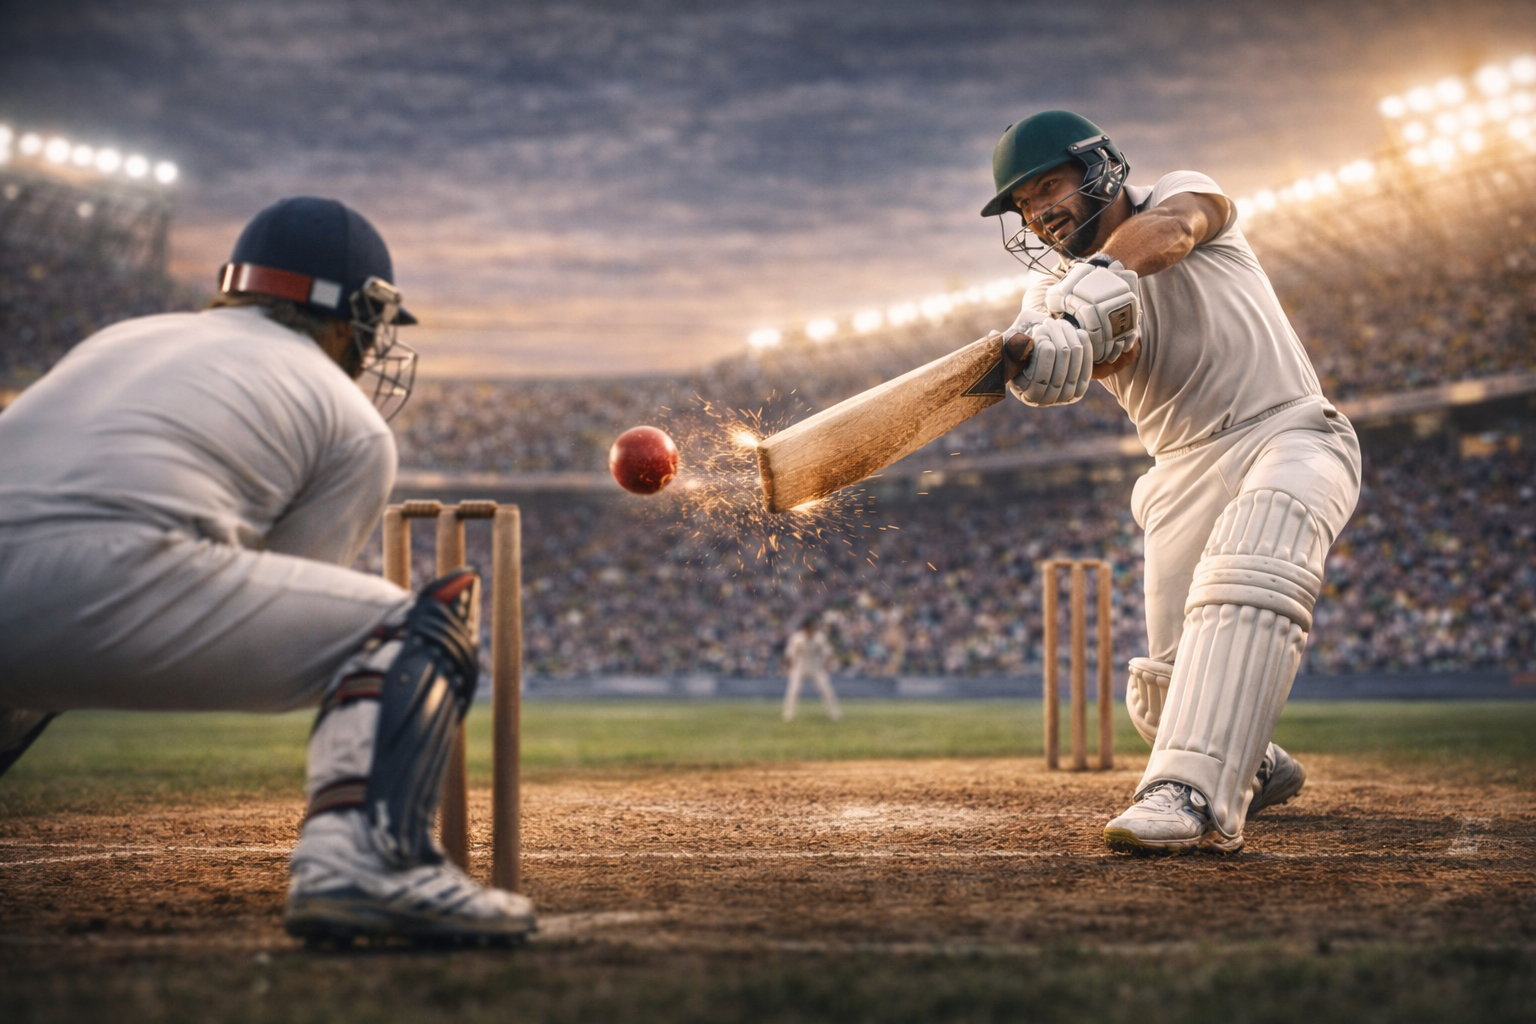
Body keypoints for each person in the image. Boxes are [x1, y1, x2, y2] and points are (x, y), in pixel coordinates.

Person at [0, 197, 536, 943]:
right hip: (118, 581)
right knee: (414, 620)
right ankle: (364, 863)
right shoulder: (349, 422)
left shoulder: (118, 338)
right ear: (351, 319)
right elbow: (293, 591)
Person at [981, 111, 1360, 854]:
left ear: (1097, 166)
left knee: (1259, 548)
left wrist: (1094, 285)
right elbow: (1091, 362)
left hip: (1287, 430)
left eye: (1047, 186)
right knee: (1164, 702)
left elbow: (1176, 233)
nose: (1037, 212)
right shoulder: (1047, 297)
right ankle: (1252, 761)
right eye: (1022, 204)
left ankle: (1189, 792)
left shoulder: (1179, 194)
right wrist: (1054, 350)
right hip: (1180, 471)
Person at [782, 616, 842, 722]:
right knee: (793, 690)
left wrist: (827, 667)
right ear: (804, 629)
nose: (810, 631)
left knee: (826, 689)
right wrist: (789, 668)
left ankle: (833, 712)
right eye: (808, 629)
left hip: (815, 667)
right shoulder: (797, 638)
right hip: (800, 667)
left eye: (811, 629)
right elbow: (790, 655)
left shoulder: (820, 638)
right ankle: (789, 712)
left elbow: (827, 653)